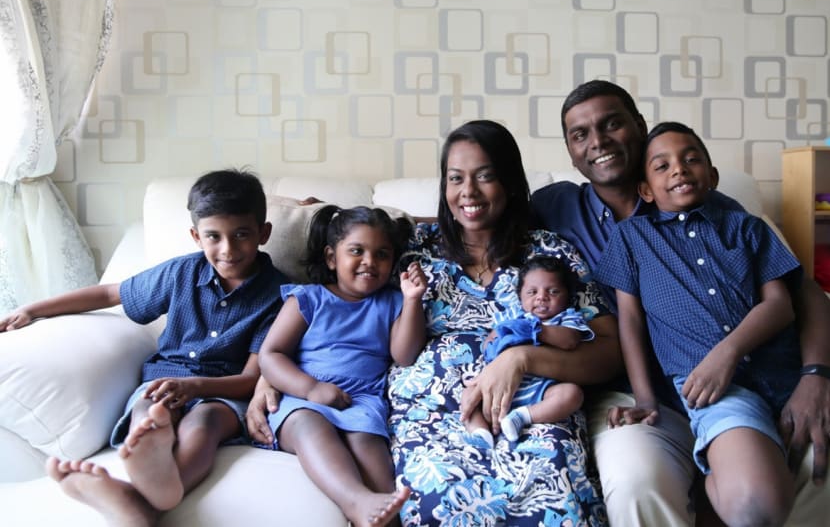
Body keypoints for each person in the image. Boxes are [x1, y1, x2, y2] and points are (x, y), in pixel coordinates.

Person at [248, 120, 620, 526]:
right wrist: (272, 378)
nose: (468, 192)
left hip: (533, 411)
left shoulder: (550, 252)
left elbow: (608, 353)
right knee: (430, 506)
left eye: (485, 177)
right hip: (431, 419)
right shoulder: (412, 248)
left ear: (511, 182)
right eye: (455, 179)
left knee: (559, 508)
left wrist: (524, 360)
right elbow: (339, 294)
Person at [530, 79, 830, 526]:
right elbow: (482, 222)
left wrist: (815, 375)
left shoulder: (710, 206)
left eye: (613, 124)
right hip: (636, 388)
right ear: (571, 151)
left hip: (747, 374)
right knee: (641, 477)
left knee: (804, 464)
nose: (599, 142)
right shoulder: (557, 206)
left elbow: (796, 293)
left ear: (638, 125)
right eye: (581, 134)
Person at [0, 168, 287, 527]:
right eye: (214, 236)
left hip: (223, 393)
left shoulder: (281, 296)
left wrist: (197, 387)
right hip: (164, 381)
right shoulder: (181, 273)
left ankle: (145, 504)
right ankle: (150, 446)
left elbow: (250, 379)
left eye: (241, 235)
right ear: (196, 236)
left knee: (206, 423)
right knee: (149, 410)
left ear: (263, 233)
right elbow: (109, 293)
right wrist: (32, 308)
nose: (227, 249)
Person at [594, 122, 802, 525]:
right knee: (755, 504)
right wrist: (645, 399)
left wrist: (728, 351)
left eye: (691, 159)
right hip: (716, 394)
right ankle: (717, 485)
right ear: (645, 190)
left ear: (713, 176)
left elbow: (781, 306)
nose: (679, 170)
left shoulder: (749, 228)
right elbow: (630, 323)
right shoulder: (632, 238)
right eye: (662, 165)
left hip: (784, 375)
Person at [257, 204, 427, 527]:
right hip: (303, 398)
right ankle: (355, 501)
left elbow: (404, 355)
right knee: (310, 426)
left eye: (381, 254)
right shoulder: (308, 298)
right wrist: (311, 389)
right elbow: (271, 355)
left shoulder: (391, 302)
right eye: (357, 251)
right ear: (332, 258)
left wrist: (413, 300)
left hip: (362, 402)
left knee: (372, 455)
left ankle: (381, 515)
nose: (369, 262)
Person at [462, 255, 595, 446]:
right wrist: (498, 342)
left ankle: (522, 417)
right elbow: (489, 342)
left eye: (553, 291)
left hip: (542, 389)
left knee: (572, 395)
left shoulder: (566, 318)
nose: (541, 297)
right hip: (498, 385)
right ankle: (479, 431)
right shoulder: (512, 316)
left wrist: (536, 330)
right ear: (520, 296)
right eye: (532, 292)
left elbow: (570, 341)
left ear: (568, 296)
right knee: (468, 394)